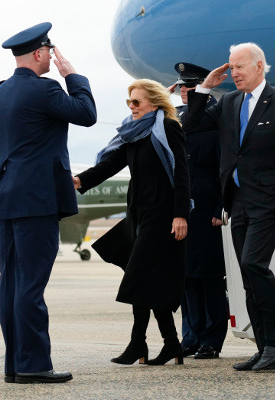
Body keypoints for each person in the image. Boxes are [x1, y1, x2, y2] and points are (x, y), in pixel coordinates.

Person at [0, 22, 96, 384]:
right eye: (49, 53)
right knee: (31, 284)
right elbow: (86, 113)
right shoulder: (45, 90)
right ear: (41, 53)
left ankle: (16, 364)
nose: (51, 59)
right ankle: (33, 365)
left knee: (11, 282)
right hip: (38, 199)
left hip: (7, 198)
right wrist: (73, 76)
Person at [184, 43, 275, 371]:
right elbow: (193, 125)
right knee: (245, 274)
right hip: (237, 202)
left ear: (259, 66)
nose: (234, 73)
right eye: (231, 67)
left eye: (239, 67)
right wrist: (204, 88)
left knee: (255, 265)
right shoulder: (228, 101)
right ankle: (267, 345)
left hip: (270, 202)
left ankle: (274, 344)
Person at [73, 79, 190, 366]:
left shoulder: (168, 129)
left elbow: (182, 173)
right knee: (147, 280)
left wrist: (181, 214)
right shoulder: (134, 134)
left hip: (163, 216)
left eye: (136, 102)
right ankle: (171, 344)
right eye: (129, 103)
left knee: (139, 277)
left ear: (154, 103)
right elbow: (110, 164)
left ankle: (139, 343)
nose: (131, 107)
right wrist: (79, 180)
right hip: (138, 214)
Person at [168, 62, 228, 359]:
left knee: (209, 276)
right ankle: (190, 336)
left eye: (188, 88)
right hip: (181, 207)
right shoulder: (176, 118)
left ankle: (211, 339)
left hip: (207, 207)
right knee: (186, 276)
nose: (183, 92)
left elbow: (226, 166)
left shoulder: (217, 115)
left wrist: (222, 205)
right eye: (180, 88)